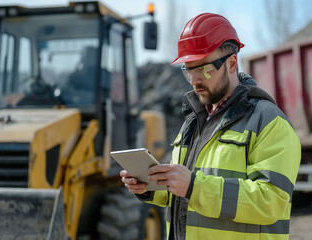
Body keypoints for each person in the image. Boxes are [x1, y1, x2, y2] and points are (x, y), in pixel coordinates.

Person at [121, 13, 301, 240]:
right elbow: (180, 195)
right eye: (189, 71)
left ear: (232, 64)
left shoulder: (268, 122)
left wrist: (195, 187)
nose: (195, 80)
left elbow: (272, 202)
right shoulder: (192, 123)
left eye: (203, 69)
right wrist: (149, 187)